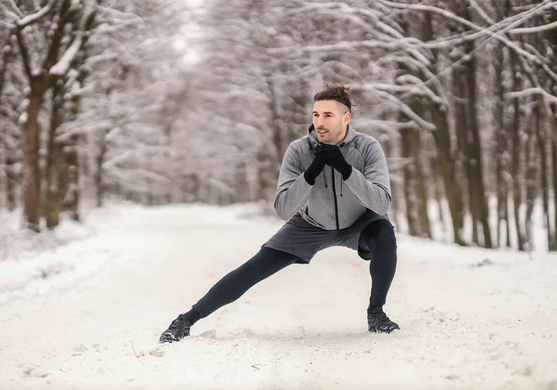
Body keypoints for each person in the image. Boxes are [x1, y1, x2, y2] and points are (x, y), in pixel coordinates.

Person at [159, 84, 399, 343]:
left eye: (328, 115)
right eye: (316, 114)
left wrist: (346, 169)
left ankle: (377, 313)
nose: (319, 121)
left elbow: (381, 204)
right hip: (310, 224)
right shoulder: (299, 151)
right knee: (253, 269)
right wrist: (311, 172)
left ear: (346, 117)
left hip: (360, 222)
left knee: (385, 234)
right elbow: (284, 209)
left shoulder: (367, 148)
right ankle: (186, 320)